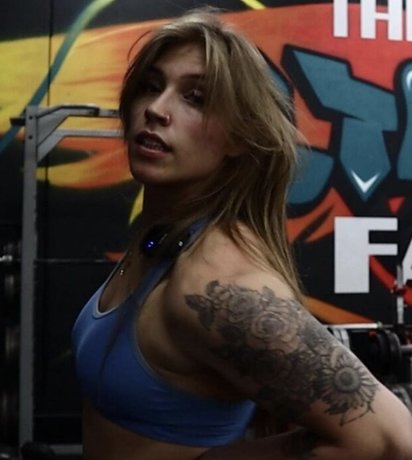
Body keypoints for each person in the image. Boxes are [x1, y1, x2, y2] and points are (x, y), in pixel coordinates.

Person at [71, 8, 412, 460]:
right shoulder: (163, 236)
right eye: (151, 87)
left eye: (195, 98)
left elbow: (390, 440)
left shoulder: (217, 285)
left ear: (237, 137)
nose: (156, 109)